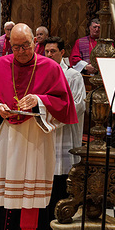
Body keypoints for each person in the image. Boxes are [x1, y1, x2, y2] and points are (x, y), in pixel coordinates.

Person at [0, 23, 77, 230]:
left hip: (34, 145)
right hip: (4, 147)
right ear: (9, 44)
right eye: (16, 46)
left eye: (26, 46)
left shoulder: (50, 68)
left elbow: (63, 104)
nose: (21, 51)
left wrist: (39, 101)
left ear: (35, 43)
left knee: (29, 200)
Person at [43, 36, 86, 214]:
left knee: (64, 178)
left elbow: (79, 105)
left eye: (53, 51)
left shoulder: (73, 76)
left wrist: (51, 117)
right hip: (46, 135)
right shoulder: (42, 75)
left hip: (66, 134)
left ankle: (64, 214)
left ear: (62, 53)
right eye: (46, 52)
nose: (49, 54)